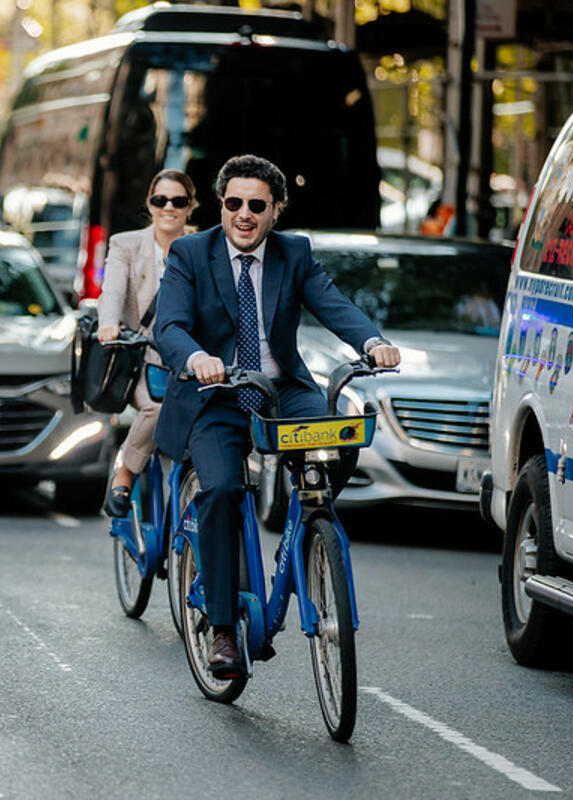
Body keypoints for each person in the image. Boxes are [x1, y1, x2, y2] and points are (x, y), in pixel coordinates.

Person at [153, 155, 400, 676]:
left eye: (256, 205)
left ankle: (308, 523)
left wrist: (372, 342)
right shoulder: (190, 254)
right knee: (222, 490)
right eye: (233, 203)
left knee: (338, 441)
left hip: (281, 389)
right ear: (221, 205)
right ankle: (223, 627)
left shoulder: (294, 253)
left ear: (276, 210)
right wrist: (196, 357)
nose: (244, 214)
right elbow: (169, 326)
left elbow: (334, 305)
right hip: (215, 394)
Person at [96, 169, 195, 517]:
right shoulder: (126, 244)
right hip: (143, 355)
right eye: (160, 199)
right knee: (157, 407)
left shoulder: (202, 246)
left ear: (190, 207)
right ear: (149, 204)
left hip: (190, 357)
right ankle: (126, 471)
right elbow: (112, 291)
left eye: (178, 201)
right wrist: (109, 324)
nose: (169, 207)